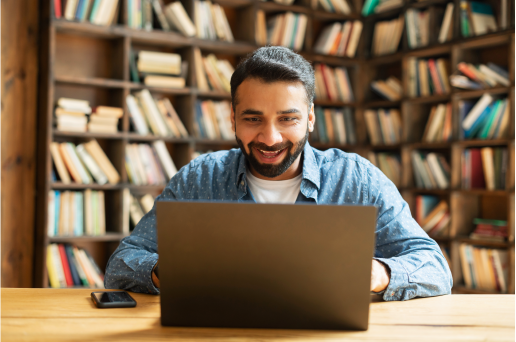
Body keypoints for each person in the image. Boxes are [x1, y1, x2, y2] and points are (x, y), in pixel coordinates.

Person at [105, 46, 452, 301]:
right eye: (253, 119)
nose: (270, 138)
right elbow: (122, 262)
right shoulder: (199, 177)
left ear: (311, 117)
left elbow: (435, 268)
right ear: (233, 118)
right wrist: (168, 270)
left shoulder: (357, 179)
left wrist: (378, 273)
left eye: (288, 119)